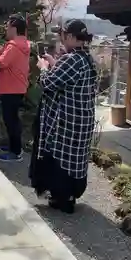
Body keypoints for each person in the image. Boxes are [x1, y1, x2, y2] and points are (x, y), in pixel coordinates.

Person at [30, 19, 97, 214]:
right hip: (83, 119)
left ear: (69, 36)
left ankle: (62, 198)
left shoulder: (71, 59)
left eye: (62, 35)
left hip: (67, 121)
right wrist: (55, 64)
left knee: (61, 159)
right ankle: (70, 196)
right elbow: (67, 80)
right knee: (76, 159)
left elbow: (48, 83)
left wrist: (43, 67)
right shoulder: (87, 58)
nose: (60, 38)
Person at [0, 14, 30, 162]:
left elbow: (2, 62)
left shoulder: (13, 46)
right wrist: (1, 50)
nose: (6, 29)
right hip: (17, 87)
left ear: (14, 28)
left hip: (10, 88)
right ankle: (14, 147)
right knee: (13, 120)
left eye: (8, 26)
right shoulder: (22, 44)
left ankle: (15, 152)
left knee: (10, 120)